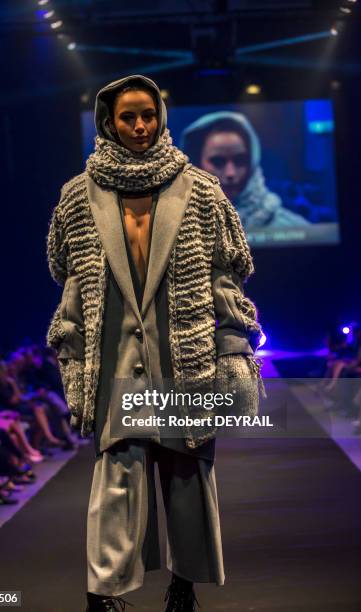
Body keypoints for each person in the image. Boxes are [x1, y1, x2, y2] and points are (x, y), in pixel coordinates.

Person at [46, 75, 264, 611]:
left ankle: (182, 588)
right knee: (116, 474)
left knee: (187, 473)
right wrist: (73, 363)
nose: (140, 126)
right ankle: (103, 593)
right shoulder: (78, 197)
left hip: (183, 355)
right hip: (116, 359)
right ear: (108, 121)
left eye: (148, 115)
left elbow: (225, 280)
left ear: (161, 118)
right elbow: (70, 284)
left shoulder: (202, 190)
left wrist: (233, 354)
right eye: (128, 117)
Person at [180, 111, 310, 229]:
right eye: (218, 161)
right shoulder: (176, 227)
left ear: (252, 163)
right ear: (197, 164)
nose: (230, 173)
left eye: (240, 160)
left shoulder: (293, 226)